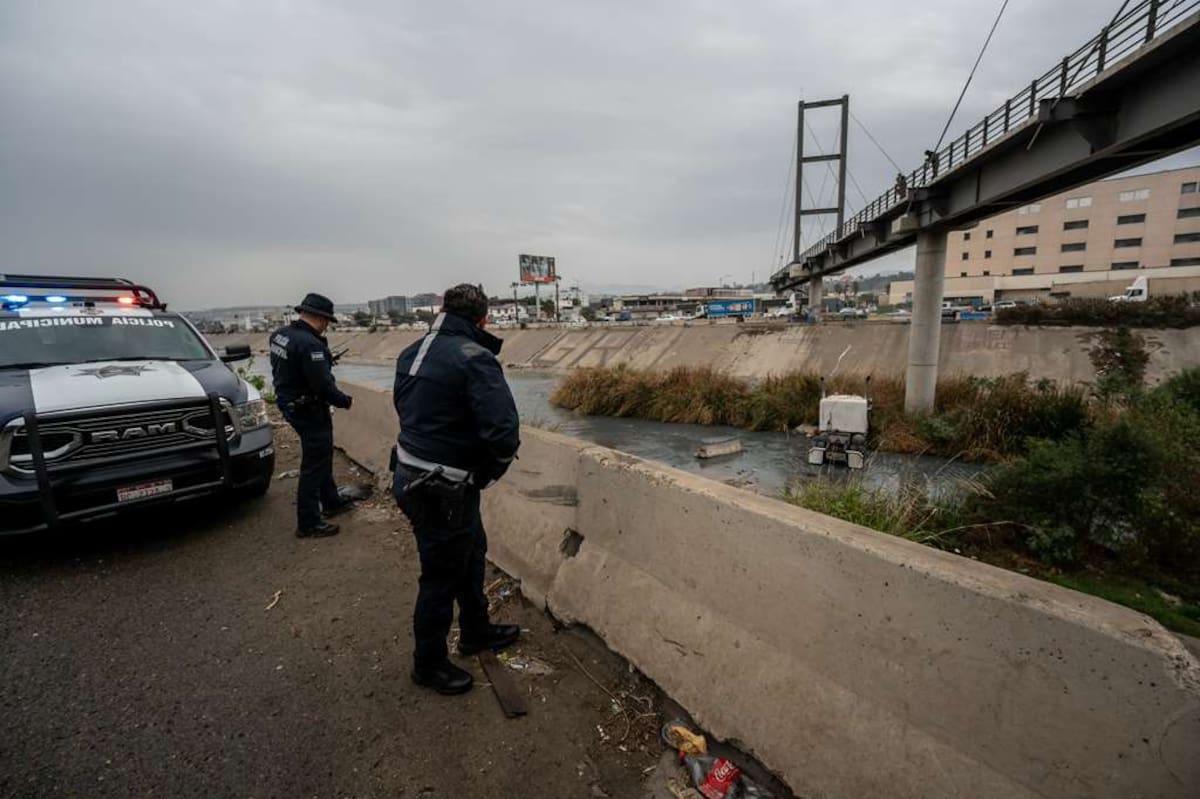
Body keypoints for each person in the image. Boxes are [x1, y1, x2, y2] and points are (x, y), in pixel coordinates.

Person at [392, 284, 521, 695]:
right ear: (482, 319)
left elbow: (406, 408)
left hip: (412, 474)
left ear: (443, 311)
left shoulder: (411, 351)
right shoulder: (475, 358)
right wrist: (490, 471)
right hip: (442, 487)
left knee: (471, 552)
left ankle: (475, 631)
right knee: (441, 576)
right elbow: (503, 433)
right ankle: (427, 665)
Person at [270, 292, 354, 538]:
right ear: (320, 318)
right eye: (327, 321)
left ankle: (331, 501)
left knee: (321, 454)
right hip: (309, 410)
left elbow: (291, 370)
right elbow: (323, 386)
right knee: (314, 465)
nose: (327, 326)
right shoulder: (310, 344)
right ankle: (308, 523)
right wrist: (344, 401)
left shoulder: (280, 335)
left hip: (290, 403)